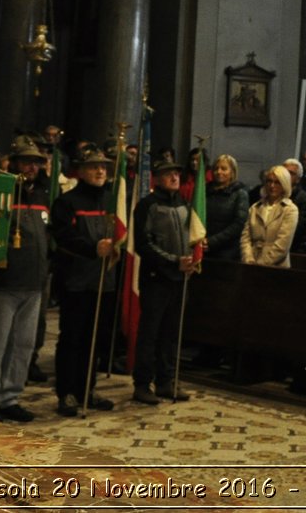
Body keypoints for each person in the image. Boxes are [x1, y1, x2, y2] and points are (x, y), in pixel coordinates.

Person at [0, 139, 50, 422]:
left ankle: (10, 398)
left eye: (36, 162)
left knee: (23, 346)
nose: (32, 167)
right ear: (14, 163)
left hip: (33, 283)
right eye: (26, 161)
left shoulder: (41, 193)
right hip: (3, 282)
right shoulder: (1, 190)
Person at [50, 146, 119, 415]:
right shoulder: (67, 202)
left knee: (96, 338)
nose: (100, 170)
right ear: (80, 171)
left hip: (105, 280)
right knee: (73, 338)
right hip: (76, 281)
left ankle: (87, 388)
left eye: (103, 166)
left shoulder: (112, 201)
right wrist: (92, 248)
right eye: (94, 166)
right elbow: (63, 236)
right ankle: (66, 392)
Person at [131, 158, 199, 405]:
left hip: (180, 278)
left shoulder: (184, 204)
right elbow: (143, 244)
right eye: (168, 173)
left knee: (171, 333)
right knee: (150, 333)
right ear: (157, 178)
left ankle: (165, 380)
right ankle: (142, 383)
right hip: (156, 278)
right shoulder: (147, 205)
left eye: (177, 173)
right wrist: (172, 261)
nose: (174, 177)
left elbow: (192, 236)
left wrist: (192, 257)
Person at [242, 165, 299, 266]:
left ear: (284, 184)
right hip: (251, 263)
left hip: (276, 266)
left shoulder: (290, 209)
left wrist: (262, 264)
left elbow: (282, 245)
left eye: (277, 182)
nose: (272, 186)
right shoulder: (255, 207)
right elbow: (245, 238)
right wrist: (248, 259)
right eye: (269, 181)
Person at [203, 153, 250, 261]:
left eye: (224, 169)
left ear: (232, 172)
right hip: (204, 246)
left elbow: (239, 223)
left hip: (227, 251)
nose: (219, 172)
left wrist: (212, 241)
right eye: (216, 169)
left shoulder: (240, 193)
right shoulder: (205, 191)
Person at [282, 157, 306, 254]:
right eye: (284, 172)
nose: (287, 176)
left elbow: (299, 229)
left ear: (298, 179)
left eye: (291, 173)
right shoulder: (273, 196)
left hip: (292, 248)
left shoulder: (304, 200)